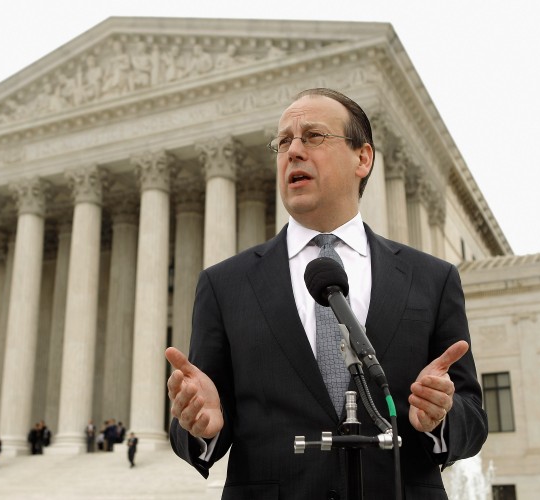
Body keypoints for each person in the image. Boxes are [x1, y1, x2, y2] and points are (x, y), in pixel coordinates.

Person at [166, 88, 488, 499]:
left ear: (362, 158)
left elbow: (473, 422)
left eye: (313, 136)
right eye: (283, 141)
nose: (293, 151)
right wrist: (199, 425)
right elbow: (205, 417)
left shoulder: (431, 278)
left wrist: (442, 415)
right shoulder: (225, 284)